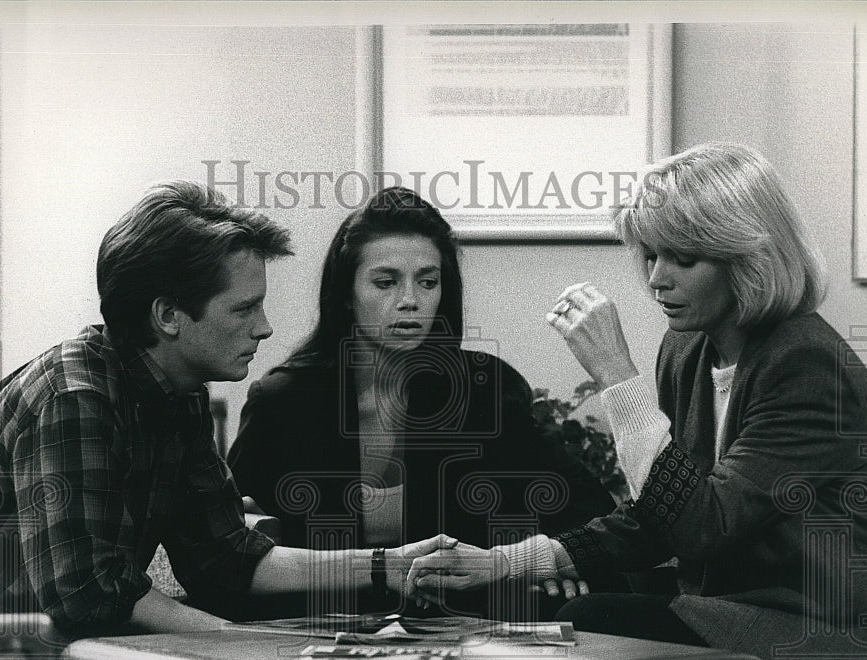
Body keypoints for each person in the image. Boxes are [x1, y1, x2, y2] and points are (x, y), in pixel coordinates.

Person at [0, 180, 457, 660]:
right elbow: (89, 595)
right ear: (169, 315)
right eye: (244, 308)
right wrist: (250, 650)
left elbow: (227, 556)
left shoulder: (179, 391)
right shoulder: (75, 396)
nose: (264, 327)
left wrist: (385, 564)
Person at [405, 143, 867, 660]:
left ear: (747, 258)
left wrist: (618, 376)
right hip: (728, 608)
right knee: (551, 612)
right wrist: (502, 563)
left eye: (683, 259)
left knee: (595, 617)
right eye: (650, 255)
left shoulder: (807, 364)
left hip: (819, 628)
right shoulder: (687, 349)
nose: (657, 279)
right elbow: (658, 516)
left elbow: (703, 528)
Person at [227, 186, 617, 619]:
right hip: (322, 624)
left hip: (461, 625)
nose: (410, 300)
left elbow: (585, 506)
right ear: (345, 293)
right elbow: (229, 543)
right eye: (386, 281)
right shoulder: (284, 401)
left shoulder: (482, 388)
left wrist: (545, 565)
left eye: (427, 282)